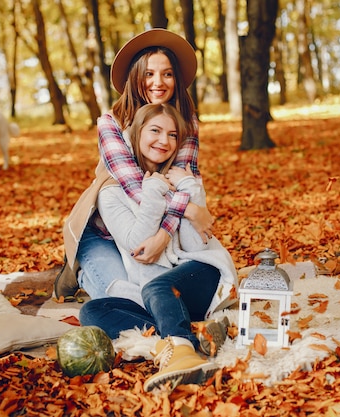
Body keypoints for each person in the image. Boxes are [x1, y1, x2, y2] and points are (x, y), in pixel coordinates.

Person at [78, 103, 238, 392]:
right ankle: (182, 334)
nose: (164, 141)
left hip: (200, 273)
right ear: (137, 134)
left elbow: (194, 243)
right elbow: (137, 244)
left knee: (157, 289)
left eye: (173, 135)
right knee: (92, 312)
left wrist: (188, 188)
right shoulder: (110, 192)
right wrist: (155, 193)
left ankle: (183, 353)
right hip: (159, 293)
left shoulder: (181, 179)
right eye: (155, 131)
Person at [56, 29, 214, 301]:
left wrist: (163, 237)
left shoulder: (188, 125)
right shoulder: (111, 123)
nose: (158, 82)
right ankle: (78, 272)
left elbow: (186, 181)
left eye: (167, 73)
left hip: (157, 226)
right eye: (149, 74)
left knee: (166, 292)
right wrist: (190, 210)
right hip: (107, 230)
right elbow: (137, 190)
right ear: (135, 77)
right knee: (128, 298)